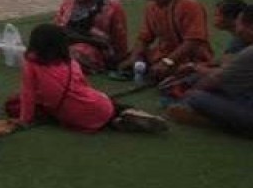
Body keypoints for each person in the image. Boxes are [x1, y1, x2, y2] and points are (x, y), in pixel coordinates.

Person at [13, 24, 167, 133]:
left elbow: (28, 94)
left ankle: (117, 121)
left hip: (73, 116)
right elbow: (84, 86)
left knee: (14, 103)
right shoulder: (71, 63)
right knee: (101, 104)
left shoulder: (31, 64)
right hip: (99, 105)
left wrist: (24, 120)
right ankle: (128, 113)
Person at [166, 4, 253, 143]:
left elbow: (213, 81)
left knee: (195, 96)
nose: (237, 29)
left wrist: (186, 93)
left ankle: (212, 120)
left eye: (239, 24)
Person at [118, 0, 213, 82]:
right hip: (163, 55)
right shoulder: (151, 8)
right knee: (128, 57)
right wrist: (133, 57)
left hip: (190, 58)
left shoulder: (189, 6)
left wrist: (167, 62)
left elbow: (193, 41)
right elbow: (144, 38)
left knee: (180, 76)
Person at [52, 0, 129, 73]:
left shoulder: (111, 7)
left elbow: (120, 34)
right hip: (67, 39)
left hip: (95, 46)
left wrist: (120, 57)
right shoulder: (68, 3)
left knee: (74, 54)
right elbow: (57, 24)